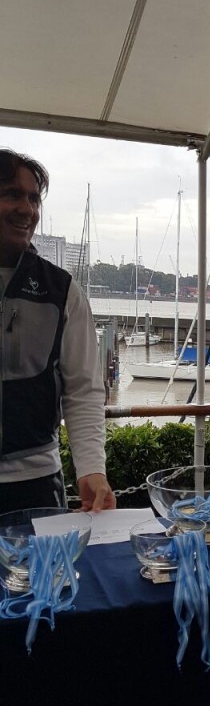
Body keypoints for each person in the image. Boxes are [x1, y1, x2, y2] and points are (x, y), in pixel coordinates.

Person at [0, 149, 115, 514]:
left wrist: (92, 469)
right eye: (12, 194)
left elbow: (83, 389)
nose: (27, 209)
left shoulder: (62, 291)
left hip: (35, 482)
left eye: (34, 198)